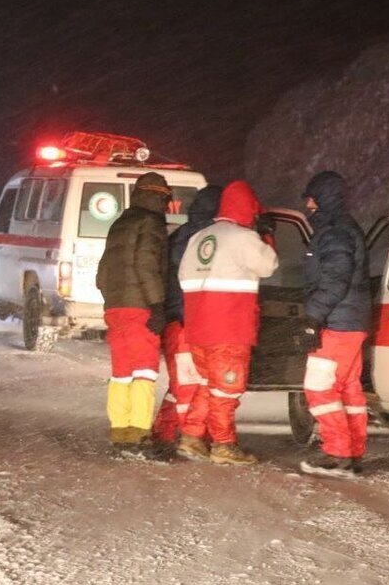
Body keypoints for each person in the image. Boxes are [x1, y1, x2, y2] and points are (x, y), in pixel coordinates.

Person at [177, 180, 278, 465]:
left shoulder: (200, 237)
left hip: (197, 327)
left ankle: (192, 437)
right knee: (226, 389)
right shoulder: (242, 237)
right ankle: (223, 444)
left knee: (208, 384)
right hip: (229, 327)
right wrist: (267, 236)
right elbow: (268, 266)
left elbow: (183, 277)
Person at [297, 171, 371, 478]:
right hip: (352, 320)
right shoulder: (344, 226)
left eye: (310, 198)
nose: (307, 205)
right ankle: (352, 452)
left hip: (336, 321)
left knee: (319, 385)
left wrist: (312, 315)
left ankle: (338, 453)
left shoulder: (333, 231)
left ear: (320, 198)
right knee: (348, 388)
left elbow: (335, 278)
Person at [95, 172, 172, 453]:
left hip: (115, 307)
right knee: (144, 372)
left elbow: (102, 274)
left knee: (122, 373)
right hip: (139, 307)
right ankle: (139, 432)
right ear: (160, 197)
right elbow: (146, 265)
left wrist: (113, 298)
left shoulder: (120, 223)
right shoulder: (150, 223)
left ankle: (121, 431)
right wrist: (156, 304)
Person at [153, 185, 223, 454]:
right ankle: (191, 438)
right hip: (184, 320)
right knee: (188, 383)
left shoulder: (187, 233)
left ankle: (165, 431)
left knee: (181, 382)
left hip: (178, 318)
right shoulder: (203, 237)